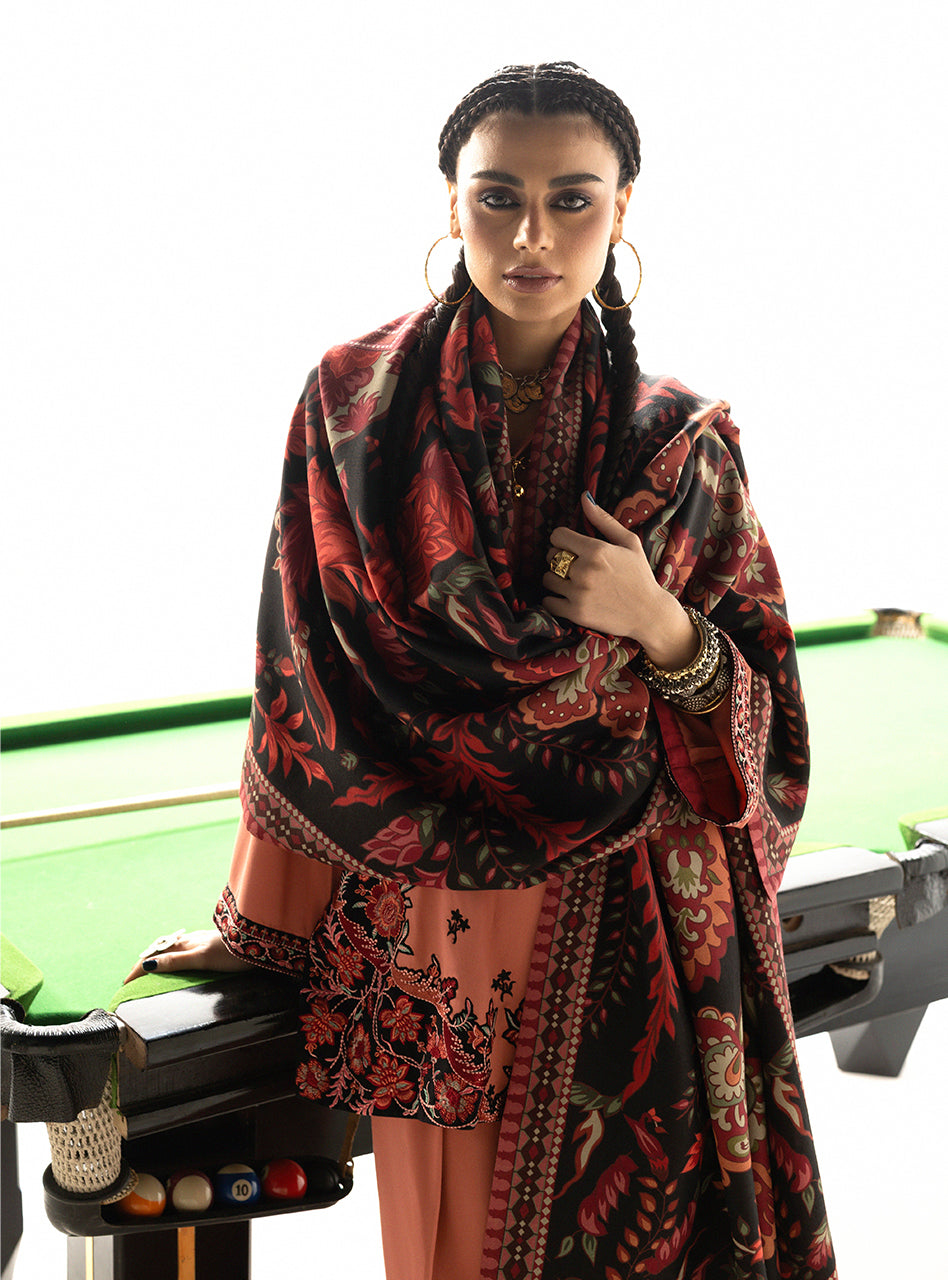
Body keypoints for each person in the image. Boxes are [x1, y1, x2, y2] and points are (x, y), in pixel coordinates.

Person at [127, 62, 837, 1280]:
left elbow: (761, 726)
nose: (532, 236)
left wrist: (656, 621)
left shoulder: (683, 441)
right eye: (498, 196)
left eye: (573, 200)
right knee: (451, 1243)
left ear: (623, 210)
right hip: (427, 919)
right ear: (449, 201)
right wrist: (261, 925)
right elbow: (301, 683)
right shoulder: (351, 404)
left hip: (634, 908)